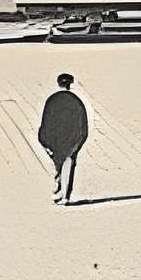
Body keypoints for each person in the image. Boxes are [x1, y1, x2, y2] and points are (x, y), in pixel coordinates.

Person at [39, 72, 90, 204]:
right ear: (70, 84)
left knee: (58, 161)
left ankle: (58, 179)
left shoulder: (52, 100)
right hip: (71, 139)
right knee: (68, 162)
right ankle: (65, 195)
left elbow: (46, 121)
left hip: (55, 139)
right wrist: (79, 141)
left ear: (58, 83)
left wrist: (44, 141)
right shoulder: (77, 101)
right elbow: (83, 123)